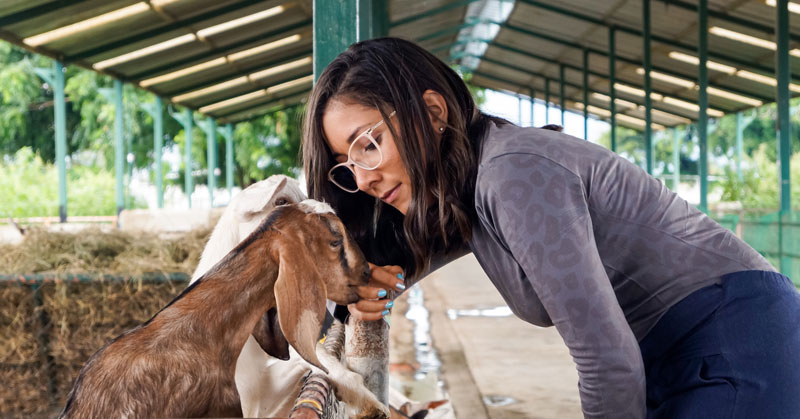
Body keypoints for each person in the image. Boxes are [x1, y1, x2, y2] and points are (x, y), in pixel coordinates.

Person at [301, 37, 800, 419]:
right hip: (689, 353)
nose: (363, 178)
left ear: (433, 112)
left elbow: (608, 361)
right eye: (346, 164)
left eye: (369, 143)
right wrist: (365, 285)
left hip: (735, 343)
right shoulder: (470, 192)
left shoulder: (513, 175)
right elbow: (388, 265)